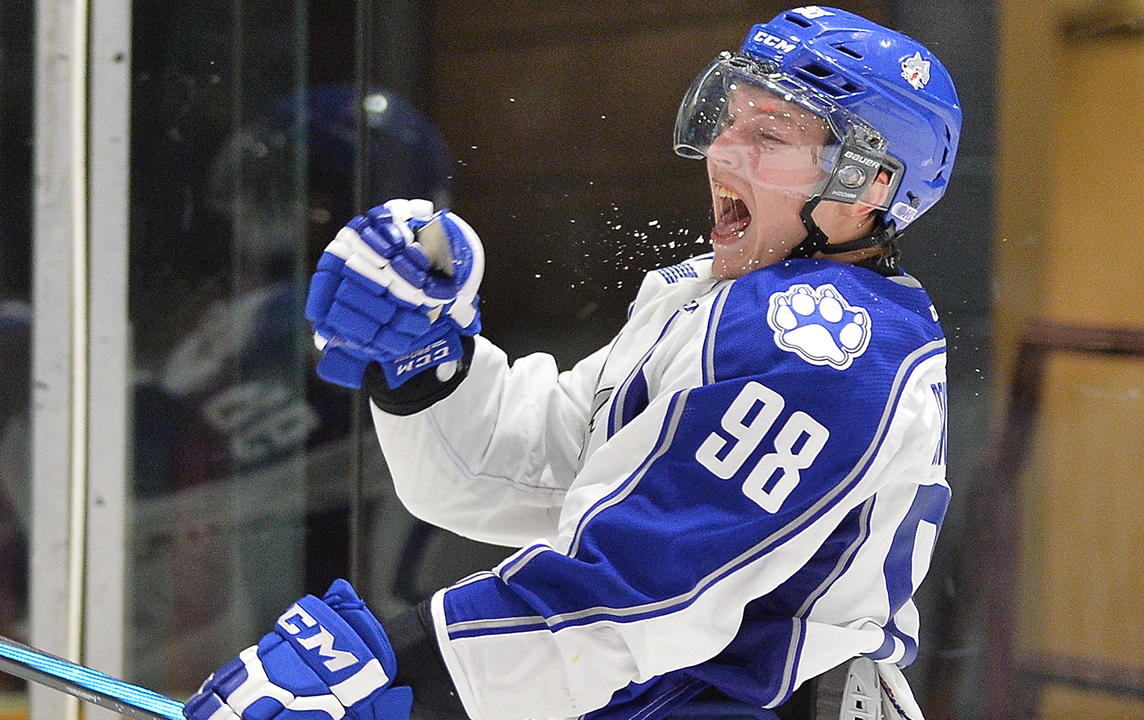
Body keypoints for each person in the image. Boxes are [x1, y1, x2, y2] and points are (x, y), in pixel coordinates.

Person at [182, 7, 961, 720]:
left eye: (770, 135)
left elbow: (637, 589)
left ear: (868, 184)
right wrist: (425, 360)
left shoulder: (827, 344)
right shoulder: (717, 301)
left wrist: (394, 669)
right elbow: (535, 467)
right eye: (728, 118)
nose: (723, 151)